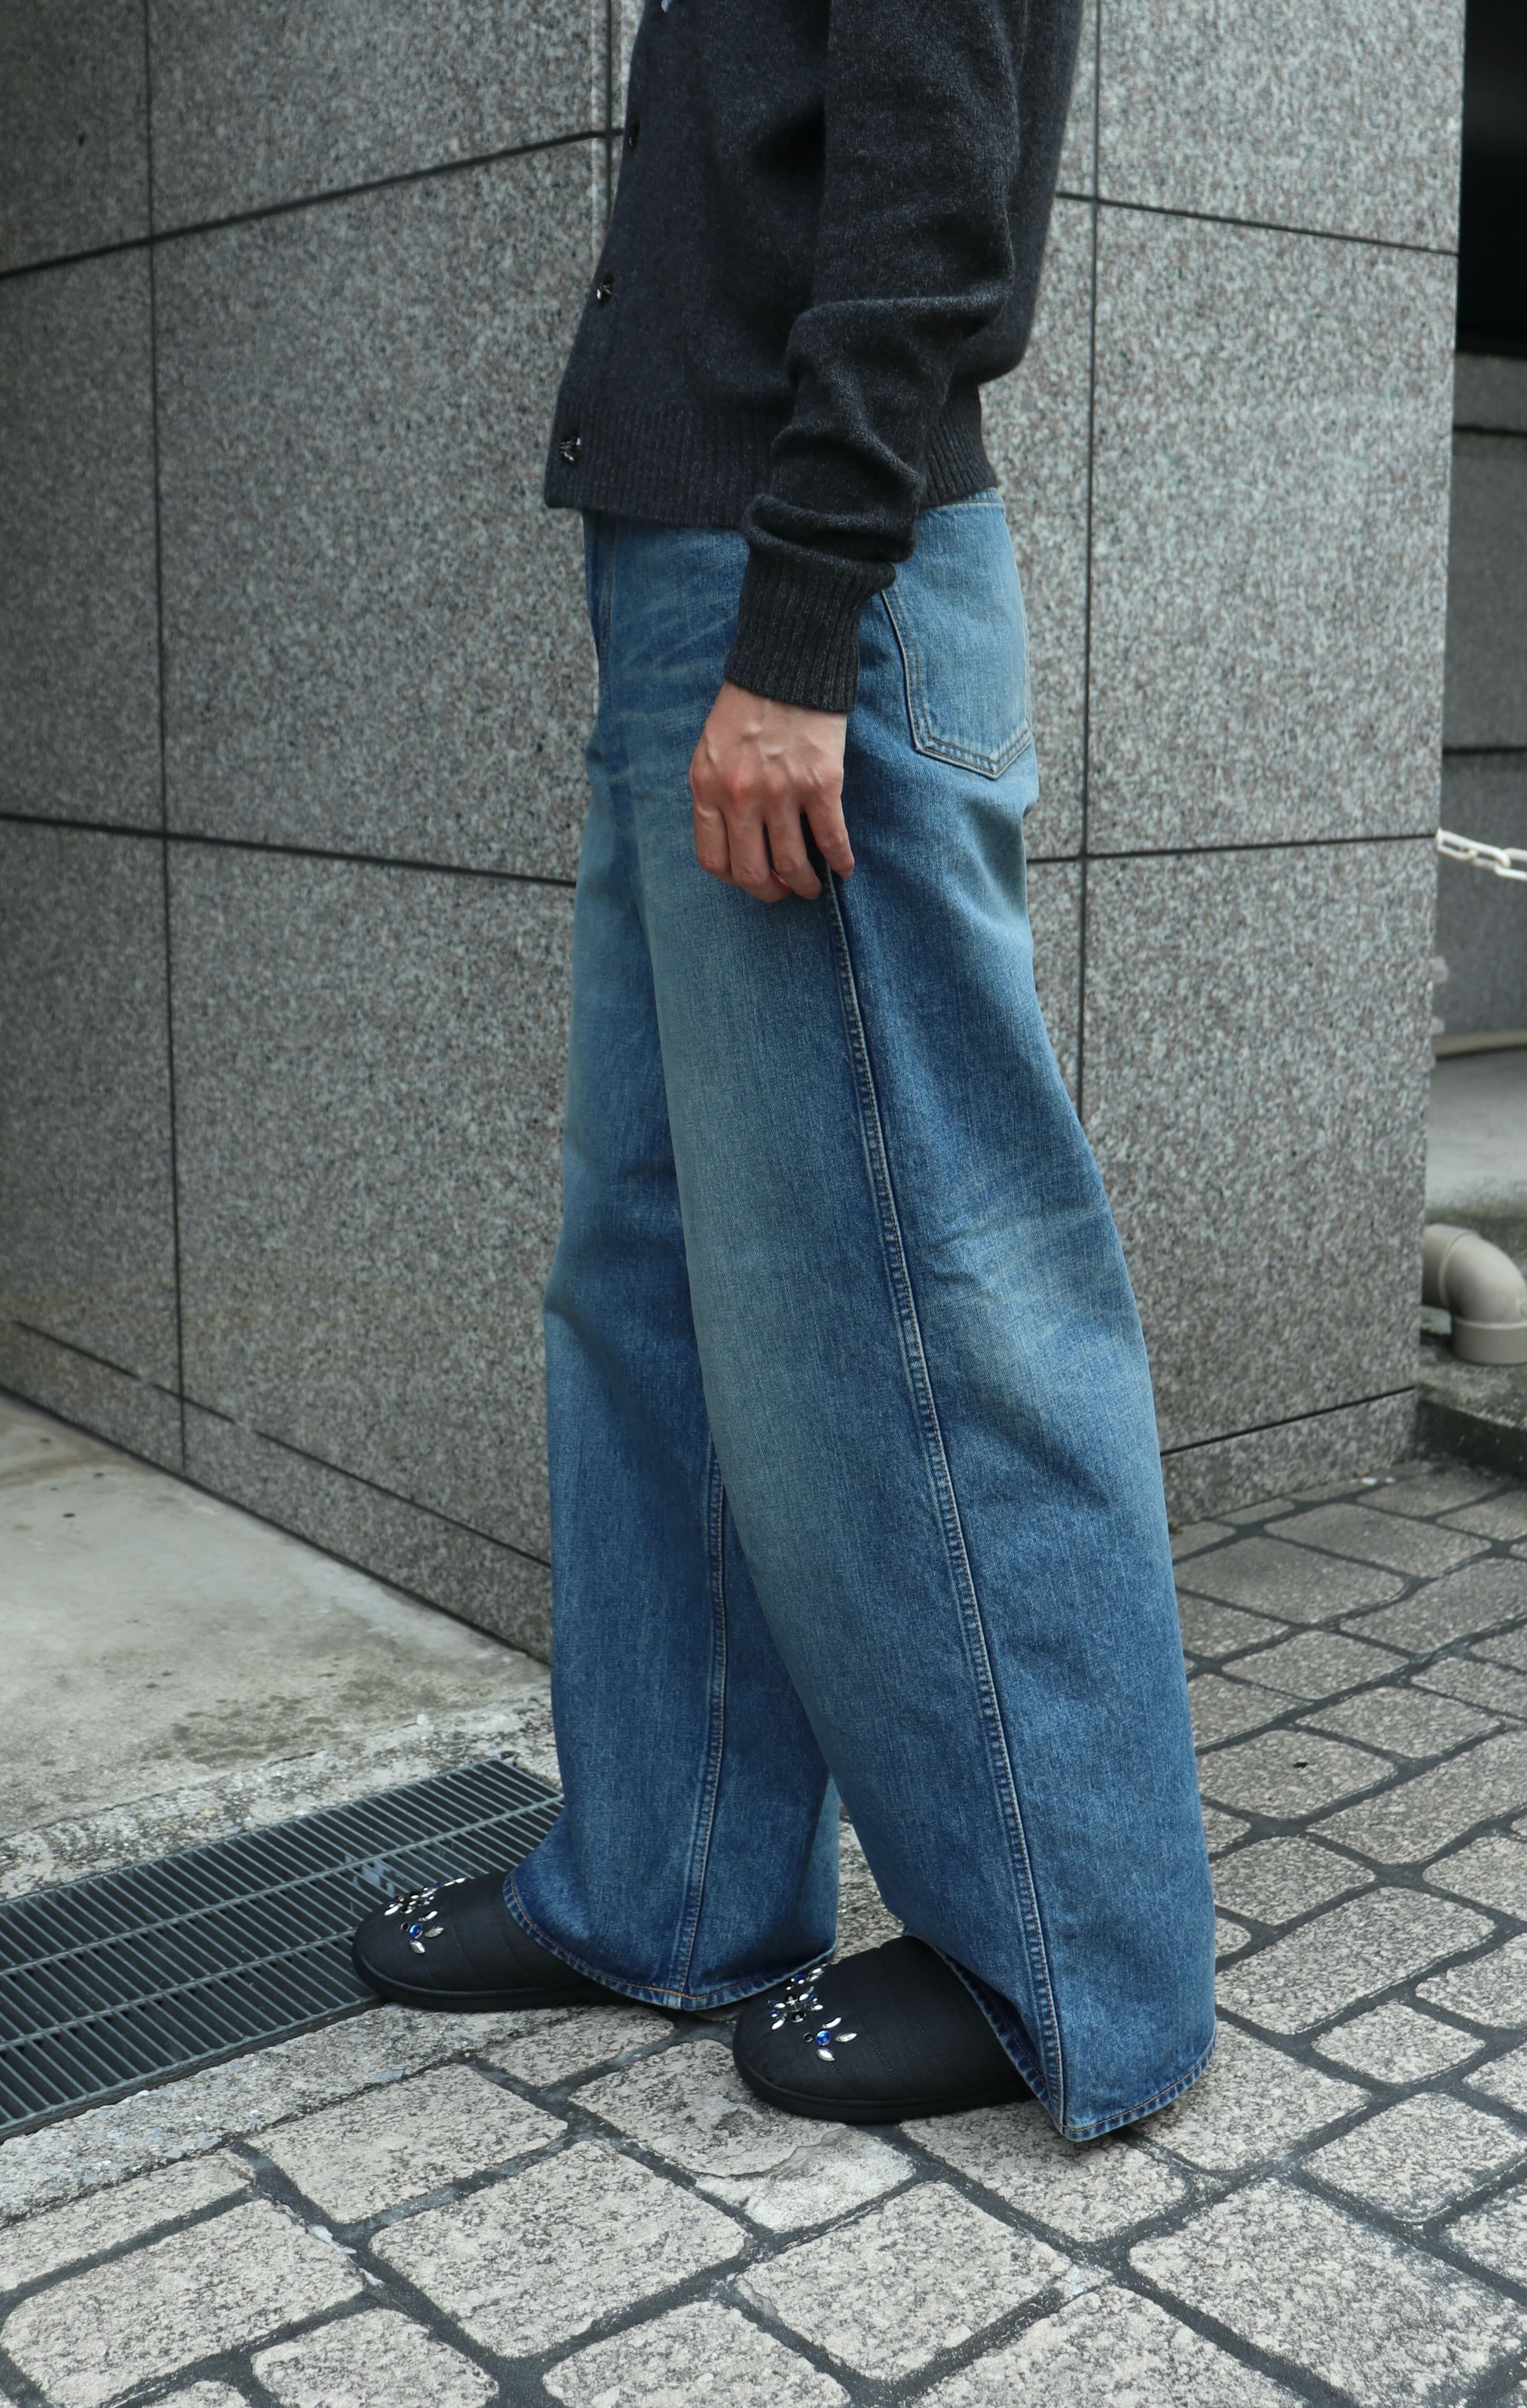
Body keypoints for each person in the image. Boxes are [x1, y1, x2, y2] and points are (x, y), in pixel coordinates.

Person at [353, 0, 1216, 2138]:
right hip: (695, 581)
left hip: (799, 595)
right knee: (650, 1272)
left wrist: (804, 617)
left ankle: (1077, 1966)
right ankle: (664, 1885)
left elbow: (934, 173)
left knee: (933, 1294)